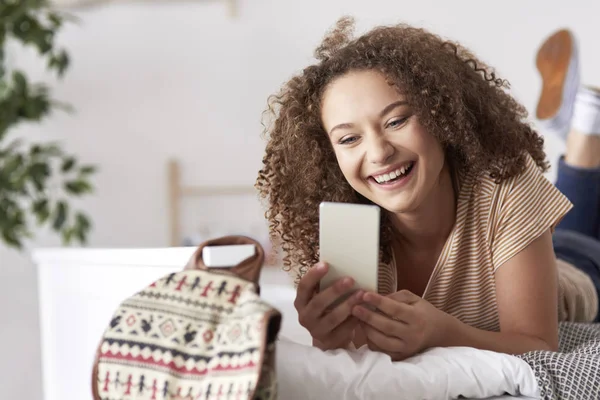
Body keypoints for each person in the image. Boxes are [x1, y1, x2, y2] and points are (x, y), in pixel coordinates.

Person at [255, 18, 600, 360]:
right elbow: (359, 358)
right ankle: (581, 125)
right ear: (329, 156)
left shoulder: (503, 181)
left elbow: (538, 344)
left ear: (442, 116)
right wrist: (329, 338)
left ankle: (585, 134)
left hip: (580, 269)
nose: (378, 153)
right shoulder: (342, 229)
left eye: (397, 121)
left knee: (576, 239)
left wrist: (443, 334)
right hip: (527, 242)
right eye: (348, 139)